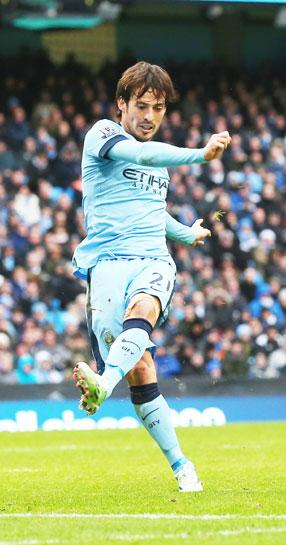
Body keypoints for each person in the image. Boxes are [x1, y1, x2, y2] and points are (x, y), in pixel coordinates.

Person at [71, 62, 230, 493]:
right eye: (141, 106)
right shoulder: (103, 135)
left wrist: (187, 233)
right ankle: (179, 460)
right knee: (139, 369)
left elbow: (153, 214)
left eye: (158, 108)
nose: (149, 116)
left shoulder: (157, 167)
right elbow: (141, 154)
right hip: (105, 265)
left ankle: (103, 384)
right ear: (122, 104)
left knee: (143, 311)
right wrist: (200, 155)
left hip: (152, 260)